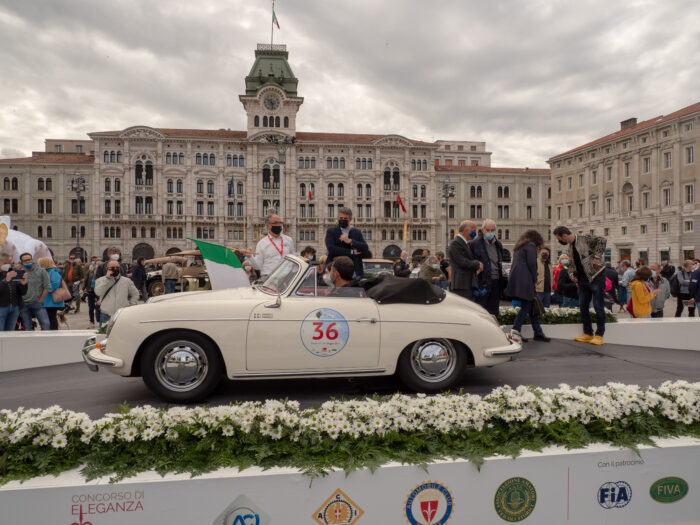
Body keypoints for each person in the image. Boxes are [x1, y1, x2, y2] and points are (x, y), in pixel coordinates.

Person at [553, 226, 607, 345]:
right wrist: (572, 274)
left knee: (598, 305)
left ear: (564, 236)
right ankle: (588, 333)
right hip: (582, 279)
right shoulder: (570, 248)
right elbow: (571, 264)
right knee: (583, 306)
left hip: (596, 276)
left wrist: (596, 257)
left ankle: (599, 335)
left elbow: (602, 240)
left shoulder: (584, 238)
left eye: (559, 239)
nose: (559, 241)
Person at [505, 230, 550, 343]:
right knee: (526, 306)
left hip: (519, 280)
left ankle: (538, 332)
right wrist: (534, 280)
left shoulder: (520, 246)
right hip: (526, 281)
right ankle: (515, 331)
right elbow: (532, 264)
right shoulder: (530, 245)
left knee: (531, 306)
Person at [240, 214, 296, 279]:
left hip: (286, 278)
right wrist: (250, 256)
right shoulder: (261, 244)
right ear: (268, 225)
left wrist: (293, 272)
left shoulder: (289, 240)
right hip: (269, 278)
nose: (278, 225)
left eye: (280, 223)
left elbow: (294, 260)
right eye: (275, 223)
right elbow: (258, 266)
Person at [469, 219, 504, 315]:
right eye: (487, 230)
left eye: (492, 230)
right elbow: (471, 263)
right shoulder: (475, 244)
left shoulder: (498, 244)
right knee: (481, 309)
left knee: (494, 309)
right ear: (483, 230)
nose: (490, 232)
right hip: (483, 282)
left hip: (496, 281)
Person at [324, 207, 368, 278]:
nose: (342, 220)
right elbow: (331, 249)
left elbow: (365, 247)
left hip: (354, 271)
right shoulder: (331, 231)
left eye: (345, 219)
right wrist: (352, 252)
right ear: (338, 218)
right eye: (341, 218)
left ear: (350, 219)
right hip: (335, 270)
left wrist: (350, 241)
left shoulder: (356, 232)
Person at [94, 259, 139, 325]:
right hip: (106, 315)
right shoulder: (100, 280)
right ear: (107, 268)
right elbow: (98, 292)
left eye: (117, 267)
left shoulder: (126, 281)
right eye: (112, 267)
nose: (115, 269)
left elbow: (135, 294)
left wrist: (130, 305)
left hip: (122, 315)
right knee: (105, 335)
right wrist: (107, 279)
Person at [447, 220, 483, 300]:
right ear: (466, 231)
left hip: (466, 283)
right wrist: (478, 264)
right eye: (474, 230)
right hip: (461, 284)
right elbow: (462, 262)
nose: (475, 233)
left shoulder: (465, 243)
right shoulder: (456, 243)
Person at [18, 252, 51, 331]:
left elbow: (47, 286)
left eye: (29, 259)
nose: (28, 262)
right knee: (27, 326)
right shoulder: (20, 272)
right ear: (22, 262)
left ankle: (45, 341)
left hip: (37, 302)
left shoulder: (41, 271)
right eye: (25, 260)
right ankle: (29, 342)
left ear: (32, 259)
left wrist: (41, 299)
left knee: (46, 324)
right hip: (23, 303)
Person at [0, 251, 27, 331]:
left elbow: (23, 292)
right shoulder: (7, 276)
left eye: (10, 263)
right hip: (1, 307)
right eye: (5, 263)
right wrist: (6, 281)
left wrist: (23, 284)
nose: (8, 265)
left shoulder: (11, 273)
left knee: (10, 333)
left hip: (14, 307)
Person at [37, 257, 65, 330]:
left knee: (51, 318)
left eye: (40, 264)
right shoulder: (46, 271)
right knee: (47, 318)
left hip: (51, 300)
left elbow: (55, 283)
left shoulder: (53, 271)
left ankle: (53, 332)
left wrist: (46, 290)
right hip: (46, 300)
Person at [83, 263, 99, 328]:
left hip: (99, 292)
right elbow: (85, 281)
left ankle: (100, 320)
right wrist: (82, 289)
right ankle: (91, 322)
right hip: (91, 291)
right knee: (91, 307)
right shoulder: (89, 272)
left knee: (100, 307)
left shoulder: (101, 273)